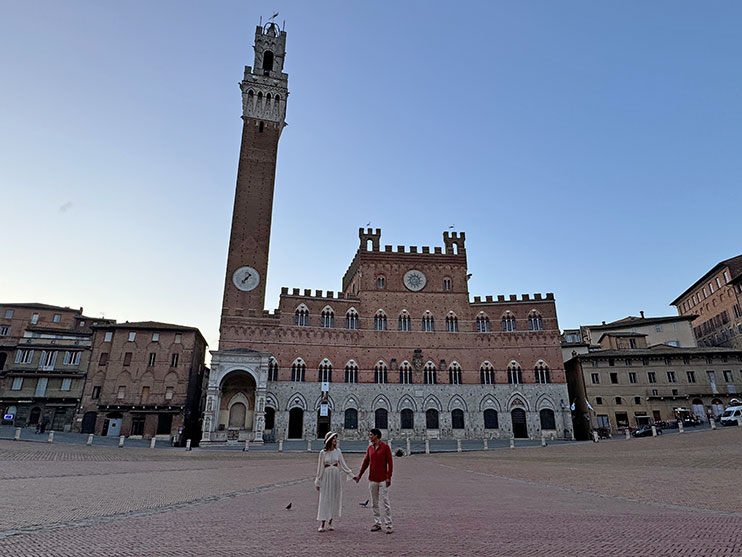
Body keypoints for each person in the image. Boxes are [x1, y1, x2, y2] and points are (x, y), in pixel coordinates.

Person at [354, 428, 394, 534]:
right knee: (374, 502)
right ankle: (377, 523)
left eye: (371, 435)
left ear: (376, 436)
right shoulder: (370, 448)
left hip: (383, 479)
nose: (369, 436)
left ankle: (389, 524)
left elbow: (390, 463)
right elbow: (366, 462)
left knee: (385, 501)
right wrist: (360, 475)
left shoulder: (385, 447)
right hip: (372, 479)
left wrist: (389, 476)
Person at [314, 431, 354, 532]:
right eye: (334, 438)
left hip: (336, 475)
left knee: (334, 497)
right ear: (329, 440)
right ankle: (322, 522)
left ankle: (331, 521)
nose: (335, 440)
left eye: (336, 438)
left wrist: (351, 475)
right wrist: (318, 481)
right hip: (326, 475)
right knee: (325, 498)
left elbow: (343, 464)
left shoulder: (338, 451)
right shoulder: (323, 453)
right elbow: (320, 468)